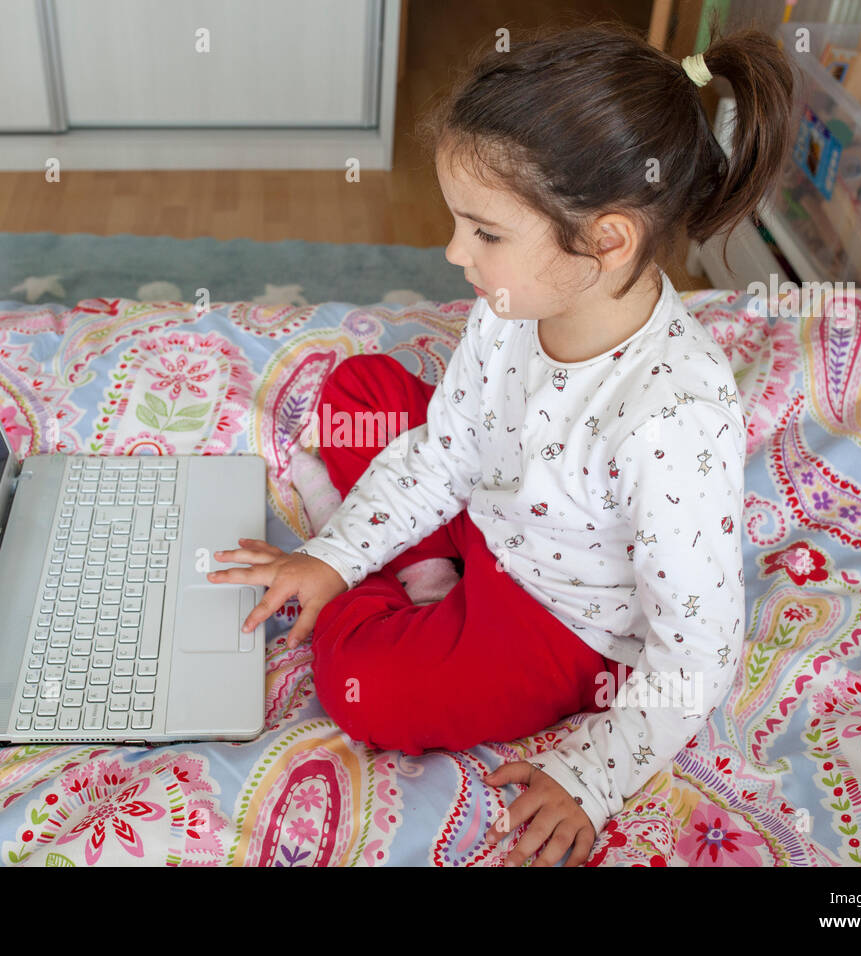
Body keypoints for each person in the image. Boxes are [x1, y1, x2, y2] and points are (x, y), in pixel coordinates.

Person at [209, 21, 793, 866]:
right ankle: (418, 570)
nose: (454, 254)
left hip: (560, 617)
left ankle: (411, 589)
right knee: (358, 392)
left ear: (606, 240)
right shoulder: (512, 310)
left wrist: (595, 774)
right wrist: (332, 556)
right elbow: (445, 450)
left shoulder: (671, 418)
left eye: (484, 233)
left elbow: (696, 653)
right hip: (493, 509)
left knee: (356, 688)